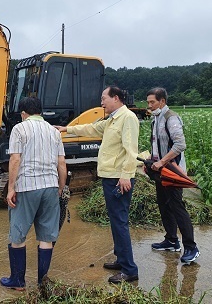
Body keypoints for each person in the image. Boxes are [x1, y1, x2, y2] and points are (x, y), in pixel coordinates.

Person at [56, 86, 139, 284]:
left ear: (116, 98)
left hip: (119, 178)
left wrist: (126, 175)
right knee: (115, 219)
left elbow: (131, 149)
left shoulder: (127, 118)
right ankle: (121, 259)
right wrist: (67, 129)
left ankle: (129, 270)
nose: (101, 103)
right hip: (110, 176)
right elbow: (91, 128)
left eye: (104, 98)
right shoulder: (112, 119)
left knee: (120, 222)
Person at [0, 97, 67, 290]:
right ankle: (42, 283)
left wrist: (11, 188)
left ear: (23, 113)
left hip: (27, 186)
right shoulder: (53, 131)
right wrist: (60, 187)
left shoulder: (19, 129)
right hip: (50, 186)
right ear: (40, 112)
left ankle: (18, 281)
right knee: (46, 236)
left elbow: (15, 159)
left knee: (18, 234)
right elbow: (61, 163)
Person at [145, 87, 200, 264]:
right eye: (148, 102)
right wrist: (151, 162)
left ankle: (191, 247)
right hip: (161, 172)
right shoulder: (155, 119)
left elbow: (180, 144)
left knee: (177, 207)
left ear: (162, 101)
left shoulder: (171, 118)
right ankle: (171, 240)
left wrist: (161, 162)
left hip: (173, 172)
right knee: (164, 204)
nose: (150, 105)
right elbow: (157, 146)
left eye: (152, 102)